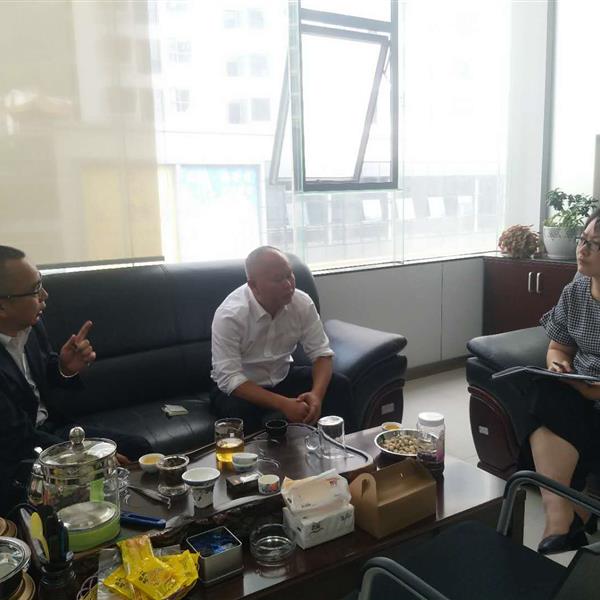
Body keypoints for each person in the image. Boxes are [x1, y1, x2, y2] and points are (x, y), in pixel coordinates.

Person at [0, 245, 150, 514]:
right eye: (35, 290)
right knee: (82, 489)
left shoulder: (31, 325)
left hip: (52, 431)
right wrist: (89, 459)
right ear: (2, 306)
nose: (45, 295)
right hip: (15, 458)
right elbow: (16, 438)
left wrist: (64, 368)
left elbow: (42, 376)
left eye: (41, 283)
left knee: (138, 448)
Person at [210, 246, 352, 433]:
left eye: (289, 275)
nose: (288, 284)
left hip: (282, 377)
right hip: (243, 389)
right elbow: (230, 378)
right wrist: (283, 404)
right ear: (253, 285)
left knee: (339, 385)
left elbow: (322, 354)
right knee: (240, 414)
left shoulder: (302, 303)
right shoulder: (230, 315)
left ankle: (340, 447)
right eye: (278, 279)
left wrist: (316, 396)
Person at [526, 208, 600, 554]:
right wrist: (559, 366)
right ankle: (561, 517)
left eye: (595, 245)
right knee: (542, 389)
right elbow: (558, 347)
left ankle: (570, 518)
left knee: (550, 414)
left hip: (593, 394)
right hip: (580, 389)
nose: (582, 250)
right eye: (583, 240)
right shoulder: (576, 290)